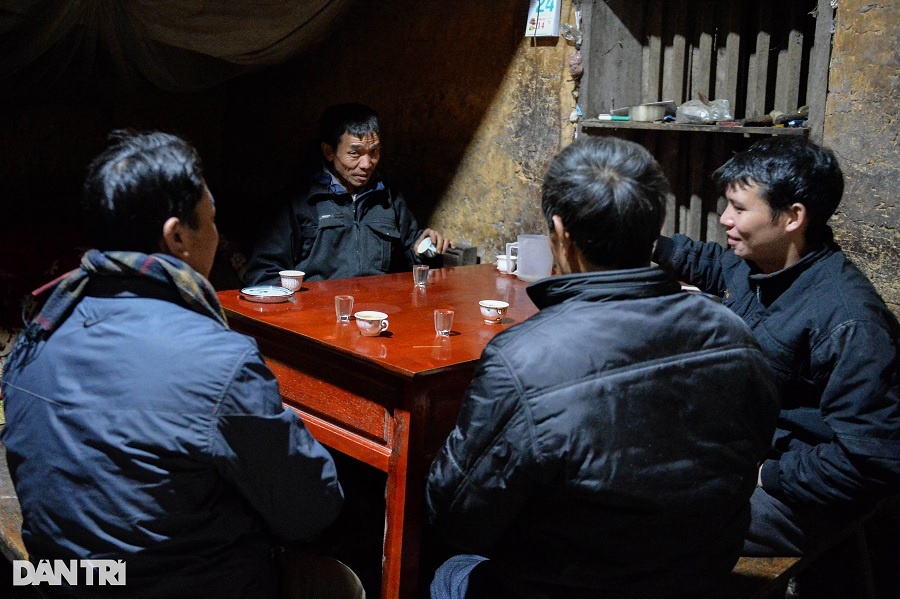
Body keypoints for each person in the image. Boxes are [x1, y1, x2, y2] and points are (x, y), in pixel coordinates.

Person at [0, 130, 362, 598]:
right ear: (176, 237)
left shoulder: (39, 333)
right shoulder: (217, 360)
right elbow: (310, 509)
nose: (217, 234)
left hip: (61, 583)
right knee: (339, 582)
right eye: (211, 220)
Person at [425, 136, 780, 599]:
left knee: (449, 569)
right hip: (698, 576)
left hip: (567, 587)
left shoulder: (523, 358)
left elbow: (456, 517)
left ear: (560, 232)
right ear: (656, 227)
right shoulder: (735, 333)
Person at [652, 137, 900, 570]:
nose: (725, 219)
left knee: (644, 517)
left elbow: (870, 462)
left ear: (792, 217)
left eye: (739, 208)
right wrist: (647, 244)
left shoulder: (848, 320)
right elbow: (714, 264)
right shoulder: (762, 262)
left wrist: (766, 475)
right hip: (746, 449)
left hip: (801, 494)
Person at [244, 103, 453, 285]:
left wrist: (424, 249)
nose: (367, 164)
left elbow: (410, 256)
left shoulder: (388, 199)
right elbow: (264, 273)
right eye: (355, 153)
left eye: (374, 152)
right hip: (317, 313)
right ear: (329, 152)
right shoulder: (298, 202)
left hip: (375, 312)